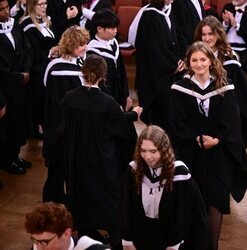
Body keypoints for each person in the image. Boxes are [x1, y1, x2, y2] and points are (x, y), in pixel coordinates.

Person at [169, 41, 247, 250]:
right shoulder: (181, 88)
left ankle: (212, 246)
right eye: (194, 60)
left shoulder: (224, 86)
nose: (199, 64)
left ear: (211, 61)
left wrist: (218, 139)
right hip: (191, 153)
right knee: (193, 202)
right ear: (188, 63)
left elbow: (232, 120)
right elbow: (177, 121)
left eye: (203, 59)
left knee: (215, 202)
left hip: (218, 155)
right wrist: (195, 137)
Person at [61, 55, 143, 250]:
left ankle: (85, 241)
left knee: (81, 202)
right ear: (104, 76)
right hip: (102, 163)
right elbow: (119, 127)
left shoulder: (69, 98)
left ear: (83, 72)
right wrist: (134, 114)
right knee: (110, 204)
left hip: (77, 161)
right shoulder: (107, 103)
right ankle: (115, 243)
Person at [122, 125, 213, 250]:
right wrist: (127, 239)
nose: (148, 157)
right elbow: (126, 207)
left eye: (153, 151)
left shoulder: (179, 175)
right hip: (141, 235)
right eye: (143, 151)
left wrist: (174, 243)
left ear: (163, 150)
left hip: (170, 237)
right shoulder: (134, 170)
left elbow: (184, 214)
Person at [42, 25, 89, 204]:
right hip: (60, 128)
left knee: (62, 171)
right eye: (80, 45)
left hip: (64, 127)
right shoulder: (60, 70)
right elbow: (62, 104)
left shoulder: (69, 64)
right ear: (70, 45)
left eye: (85, 43)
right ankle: (50, 208)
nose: (85, 47)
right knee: (57, 172)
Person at [87, 9, 137, 171]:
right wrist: (113, 105)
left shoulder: (113, 44)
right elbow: (99, 83)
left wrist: (126, 96)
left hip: (120, 97)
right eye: (111, 28)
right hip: (106, 102)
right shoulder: (92, 52)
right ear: (99, 29)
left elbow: (122, 73)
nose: (116, 31)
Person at [194, 15, 247, 148]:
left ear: (218, 34)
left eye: (210, 34)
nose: (207, 38)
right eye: (203, 34)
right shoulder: (195, 56)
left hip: (224, 114)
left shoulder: (229, 58)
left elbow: (240, 94)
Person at [134, 0, 185, 131]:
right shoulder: (150, 15)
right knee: (160, 116)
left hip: (170, 72)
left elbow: (176, 38)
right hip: (156, 76)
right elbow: (155, 49)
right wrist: (173, 65)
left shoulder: (168, 11)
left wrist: (181, 60)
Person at [0, 0, 32, 174]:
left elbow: (27, 50)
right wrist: (19, 76)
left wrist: (26, 71)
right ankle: (6, 160)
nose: (6, 12)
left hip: (20, 85)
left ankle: (15, 155)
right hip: (6, 87)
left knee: (19, 121)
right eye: (1, 9)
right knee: (8, 125)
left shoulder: (15, 26)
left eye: (6, 8)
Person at [20, 0, 59, 138]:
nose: (44, 7)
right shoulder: (26, 25)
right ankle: (34, 130)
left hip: (49, 66)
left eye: (46, 3)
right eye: (40, 4)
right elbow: (31, 51)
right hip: (36, 70)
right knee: (37, 100)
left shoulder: (46, 21)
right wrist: (50, 51)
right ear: (32, 6)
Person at [25, 202, 111, 250]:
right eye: (36, 241)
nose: (39, 248)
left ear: (66, 233)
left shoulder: (92, 249)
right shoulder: (39, 245)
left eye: (45, 242)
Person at [221, 0, 247, 74]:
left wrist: (236, 25)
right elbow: (218, 29)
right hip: (226, 47)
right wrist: (226, 23)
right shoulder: (228, 7)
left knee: (240, 72)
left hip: (245, 49)